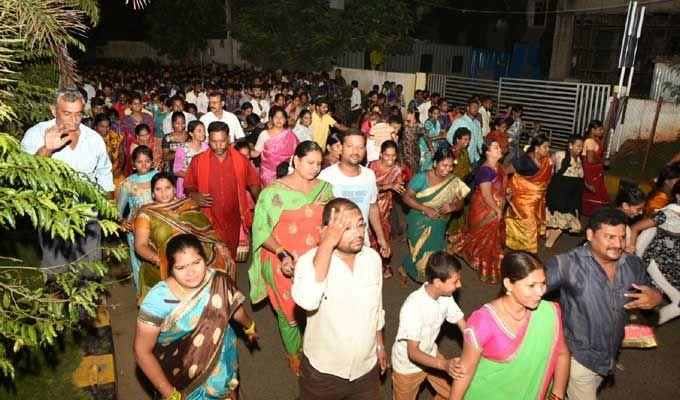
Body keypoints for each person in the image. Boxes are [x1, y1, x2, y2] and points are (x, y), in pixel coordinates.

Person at [544, 207, 663, 400]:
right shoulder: (566, 264)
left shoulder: (632, 264)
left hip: (608, 356)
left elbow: (652, 291)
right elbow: (527, 290)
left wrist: (655, 298)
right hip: (578, 358)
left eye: (622, 237)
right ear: (590, 235)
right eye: (610, 237)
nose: (618, 244)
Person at [135, 233, 256, 400]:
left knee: (228, 389)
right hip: (181, 375)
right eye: (181, 267)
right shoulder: (157, 300)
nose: (191, 273)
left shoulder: (218, 280)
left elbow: (235, 309)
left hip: (223, 354)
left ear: (205, 260)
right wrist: (170, 393)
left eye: (196, 263)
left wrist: (249, 326)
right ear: (170, 268)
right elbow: (142, 352)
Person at [248, 141, 334, 376]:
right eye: (309, 162)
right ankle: (293, 353)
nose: (315, 168)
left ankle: (313, 344)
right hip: (283, 262)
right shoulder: (274, 193)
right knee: (289, 313)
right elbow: (261, 230)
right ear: (295, 160)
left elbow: (331, 223)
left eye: (319, 163)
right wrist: (282, 254)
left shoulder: (326, 190)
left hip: (317, 260)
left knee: (319, 305)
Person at [291, 198, 388, 400]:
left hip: (366, 371)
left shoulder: (372, 259)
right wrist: (326, 244)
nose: (358, 233)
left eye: (360, 225)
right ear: (326, 230)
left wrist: (379, 344)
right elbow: (308, 300)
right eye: (347, 228)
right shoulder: (308, 262)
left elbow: (376, 307)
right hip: (324, 374)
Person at [449, 252, 570, 400]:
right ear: (508, 284)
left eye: (543, 283)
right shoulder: (483, 322)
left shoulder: (548, 312)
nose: (540, 292)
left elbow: (562, 353)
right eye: (531, 285)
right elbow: (465, 372)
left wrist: (557, 394)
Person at [21, 88, 114, 275]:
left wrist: (107, 210)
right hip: (54, 220)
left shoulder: (94, 139)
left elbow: (104, 173)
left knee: (89, 274)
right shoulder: (35, 135)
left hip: (89, 219)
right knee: (57, 275)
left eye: (78, 113)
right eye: (67, 113)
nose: (74, 120)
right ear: (54, 111)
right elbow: (26, 176)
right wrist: (47, 149)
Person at [134, 172, 235, 297]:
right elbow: (140, 245)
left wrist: (220, 246)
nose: (164, 193)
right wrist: (158, 259)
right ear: (153, 194)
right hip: (166, 263)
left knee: (224, 266)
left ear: (175, 189)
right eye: (158, 189)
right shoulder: (146, 214)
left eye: (168, 188)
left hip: (197, 257)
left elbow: (207, 232)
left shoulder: (190, 205)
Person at [391, 251, 466, 400]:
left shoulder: (445, 296)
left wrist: (477, 344)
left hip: (431, 353)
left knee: (455, 393)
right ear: (438, 283)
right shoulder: (413, 307)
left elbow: (463, 325)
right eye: (455, 281)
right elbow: (413, 352)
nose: (459, 285)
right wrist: (444, 364)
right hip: (407, 368)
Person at [184, 121, 261, 259]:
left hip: (233, 219)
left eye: (222, 141)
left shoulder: (240, 160)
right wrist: (193, 194)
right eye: (214, 141)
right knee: (210, 258)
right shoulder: (198, 161)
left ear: (229, 139)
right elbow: (188, 185)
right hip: (208, 217)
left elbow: (254, 184)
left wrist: (262, 206)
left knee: (229, 257)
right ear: (208, 140)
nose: (218, 146)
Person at [318, 130, 392, 258]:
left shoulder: (369, 175)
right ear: (341, 148)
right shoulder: (326, 177)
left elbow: (372, 207)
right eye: (350, 146)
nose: (355, 151)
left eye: (360, 147)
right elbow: (318, 212)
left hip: (361, 242)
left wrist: (381, 238)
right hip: (335, 247)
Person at [401, 148, 470, 283]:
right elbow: (406, 197)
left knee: (435, 255)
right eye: (444, 165)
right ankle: (407, 269)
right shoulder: (421, 178)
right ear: (434, 163)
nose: (448, 169)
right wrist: (425, 209)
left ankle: (430, 280)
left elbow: (461, 202)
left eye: (451, 166)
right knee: (420, 254)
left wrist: (453, 206)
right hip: (419, 223)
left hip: (440, 224)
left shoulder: (454, 181)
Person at [451, 140, 506, 284]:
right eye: (495, 147)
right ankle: (468, 253)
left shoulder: (499, 167)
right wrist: (497, 209)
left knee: (492, 239)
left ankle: (487, 262)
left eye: (499, 146)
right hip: (484, 209)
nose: (499, 149)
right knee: (480, 237)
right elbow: (486, 194)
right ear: (487, 152)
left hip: (494, 207)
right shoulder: (485, 171)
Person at [629, 180, 680, 324]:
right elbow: (635, 228)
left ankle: (643, 323)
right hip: (655, 260)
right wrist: (631, 253)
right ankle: (645, 326)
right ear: (677, 196)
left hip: (672, 262)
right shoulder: (666, 214)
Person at [117, 146, 158, 296]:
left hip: (158, 226)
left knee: (158, 260)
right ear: (133, 164)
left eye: (147, 161)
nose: (144, 165)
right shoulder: (127, 183)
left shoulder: (158, 177)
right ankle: (144, 297)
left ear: (152, 162)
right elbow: (117, 211)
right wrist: (121, 220)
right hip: (136, 229)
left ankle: (162, 297)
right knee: (139, 263)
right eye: (139, 162)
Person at [505, 134, 552, 254]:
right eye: (545, 147)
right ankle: (528, 251)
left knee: (529, 225)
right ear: (537, 148)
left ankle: (521, 248)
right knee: (529, 224)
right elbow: (506, 171)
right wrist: (506, 188)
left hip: (536, 199)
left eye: (548, 147)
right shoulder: (524, 160)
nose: (548, 150)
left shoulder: (546, 160)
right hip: (522, 199)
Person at [368, 140, 407, 279]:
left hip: (384, 208)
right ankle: (370, 267)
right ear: (381, 154)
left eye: (393, 156)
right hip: (369, 204)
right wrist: (388, 185)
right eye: (387, 155)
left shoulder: (397, 169)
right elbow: (369, 188)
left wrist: (399, 189)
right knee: (368, 237)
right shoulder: (372, 166)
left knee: (382, 236)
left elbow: (400, 188)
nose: (390, 159)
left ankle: (383, 265)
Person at [544, 134, 587, 248]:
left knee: (566, 219)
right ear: (570, 145)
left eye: (582, 146)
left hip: (572, 195)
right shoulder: (560, 155)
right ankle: (549, 242)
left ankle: (548, 235)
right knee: (562, 220)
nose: (580, 148)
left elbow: (580, 176)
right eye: (578, 146)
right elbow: (546, 167)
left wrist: (587, 185)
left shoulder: (580, 159)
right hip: (559, 193)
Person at [252, 108, 300, 187]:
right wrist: (244, 152)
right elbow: (256, 153)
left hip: (285, 173)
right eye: (276, 117)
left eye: (281, 117)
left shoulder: (289, 134)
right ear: (271, 119)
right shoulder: (264, 134)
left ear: (285, 120)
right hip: (267, 174)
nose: (279, 119)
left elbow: (297, 151)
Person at [582, 120, 611, 216]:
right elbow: (590, 160)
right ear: (593, 130)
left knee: (596, 194)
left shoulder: (595, 140)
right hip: (591, 171)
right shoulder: (590, 141)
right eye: (600, 129)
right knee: (594, 194)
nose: (602, 131)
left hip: (595, 170)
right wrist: (603, 161)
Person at [173, 120, 208, 198]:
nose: (203, 133)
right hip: (185, 185)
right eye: (199, 131)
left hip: (202, 185)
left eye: (204, 131)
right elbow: (176, 171)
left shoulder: (207, 147)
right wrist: (193, 177)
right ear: (191, 133)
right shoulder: (182, 149)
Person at [446, 128, 472, 235]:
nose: (467, 142)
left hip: (463, 185)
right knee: (453, 209)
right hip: (453, 186)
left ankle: (458, 232)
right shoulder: (451, 153)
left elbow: (468, 165)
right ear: (457, 139)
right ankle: (449, 232)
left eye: (468, 140)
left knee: (462, 209)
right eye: (465, 140)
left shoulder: (465, 151)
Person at [93, 113, 125, 194]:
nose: (105, 129)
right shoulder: (91, 138)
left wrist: (119, 168)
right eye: (102, 126)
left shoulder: (115, 137)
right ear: (95, 126)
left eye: (107, 127)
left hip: (115, 170)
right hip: (96, 173)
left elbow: (121, 155)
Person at [447, 97, 483, 166]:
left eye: (477, 108)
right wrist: (458, 147)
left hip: (474, 157)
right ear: (468, 108)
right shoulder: (460, 121)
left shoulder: (477, 123)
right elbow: (449, 136)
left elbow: (479, 140)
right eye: (474, 107)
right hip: (462, 157)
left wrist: (482, 152)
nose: (476, 109)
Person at [400, 109, 425, 174]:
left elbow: (427, 138)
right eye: (408, 113)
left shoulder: (419, 126)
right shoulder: (404, 125)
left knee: (414, 172)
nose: (407, 115)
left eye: (409, 113)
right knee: (405, 173)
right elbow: (401, 140)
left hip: (414, 153)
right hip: (404, 151)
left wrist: (431, 150)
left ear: (414, 115)